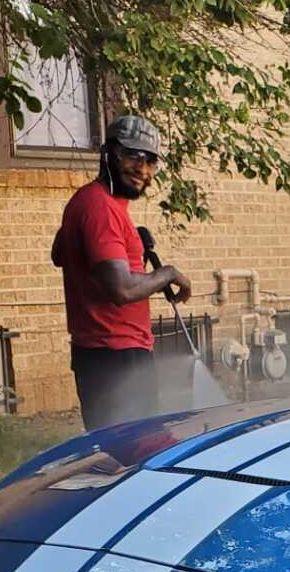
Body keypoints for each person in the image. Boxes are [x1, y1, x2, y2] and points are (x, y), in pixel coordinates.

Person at [51, 114, 193, 429]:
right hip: (116, 358)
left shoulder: (90, 201)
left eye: (151, 161)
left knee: (122, 453)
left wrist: (127, 249)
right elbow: (122, 289)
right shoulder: (101, 208)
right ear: (110, 153)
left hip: (104, 356)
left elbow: (59, 253)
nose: (143, 169)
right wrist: (167, 274)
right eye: (134, 156)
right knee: (133, 457)